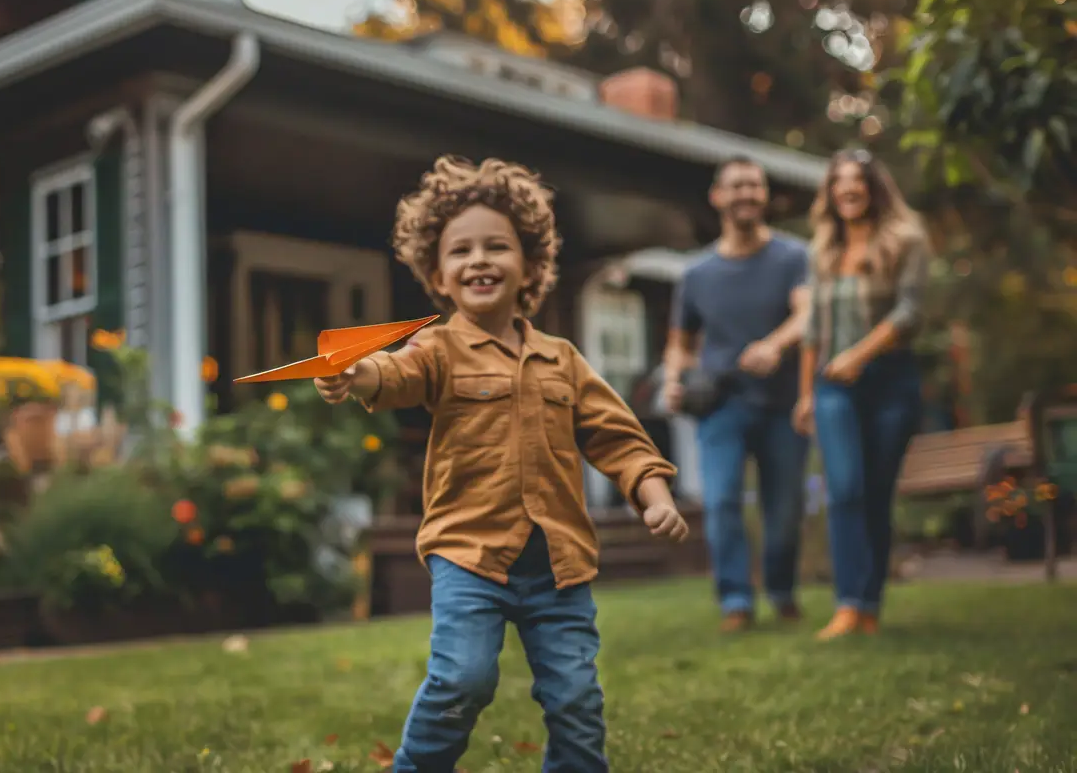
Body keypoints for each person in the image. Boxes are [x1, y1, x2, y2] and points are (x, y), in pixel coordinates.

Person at [314, 156, 689, 772]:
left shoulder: (562, 359)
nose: (479, 260)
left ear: (531, 266)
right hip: (470, 555)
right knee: (462, 679)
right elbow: (396, 373)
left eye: (497, 246)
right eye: (460, 251)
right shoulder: (437, 347)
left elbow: (618, 436)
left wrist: (655, 493)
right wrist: (356, 374)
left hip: (558, 564)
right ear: (438, 274)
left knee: (576, 697)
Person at [664, 155, 811, 633]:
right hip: (720, 405)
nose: (746, 193)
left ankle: (782, 591)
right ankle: (736, 600)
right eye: (737, 185)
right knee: (722, 501)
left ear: (764, 195)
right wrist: (673, 379)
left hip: (782, 403)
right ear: (718, 197)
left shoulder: (794, 257)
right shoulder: (697, 274)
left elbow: (807, 315)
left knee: (784, 509)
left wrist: (775, 345)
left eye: (754, 185)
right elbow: (681, 342)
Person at [793, 148, 929, 640]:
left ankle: (870, 605)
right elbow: (813, 328)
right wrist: (806, 395)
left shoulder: (907, 240)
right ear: (830, 192)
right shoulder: (822, 251)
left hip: (891, 381)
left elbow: (910, 313)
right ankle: (848, 604)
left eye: (857, 180)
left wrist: (859, 355)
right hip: (834, 385)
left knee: (875, 494)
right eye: (839, 181)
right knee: (845, 488)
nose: (848, 188)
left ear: (874, 188)